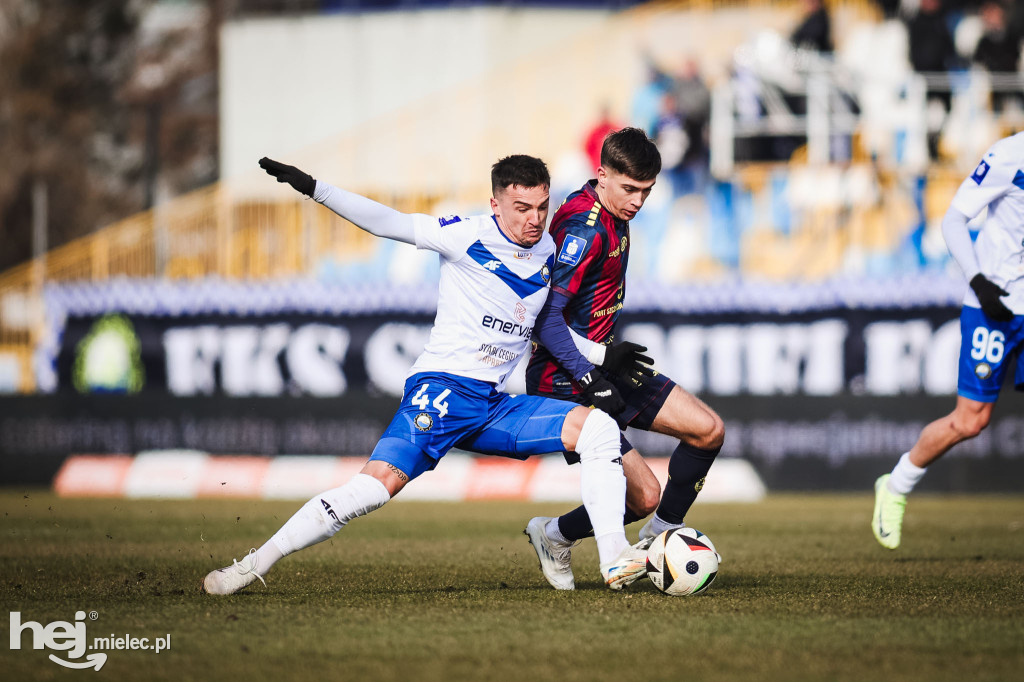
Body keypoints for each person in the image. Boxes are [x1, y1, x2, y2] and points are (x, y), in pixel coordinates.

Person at [203, 154, 647, 594]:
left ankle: (614, 559)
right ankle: (251, 565)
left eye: (541, 207)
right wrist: (316, 188)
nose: (535, 220)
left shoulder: (547, 249)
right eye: (522, 208)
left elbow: (542, 324)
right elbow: (387, 221)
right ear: (496, 204)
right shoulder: (464, 235)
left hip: (493, 404)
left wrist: (601, 358)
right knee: (372, 490)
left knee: (599, 430)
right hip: (443, 391)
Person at [523, 127, 725, 590]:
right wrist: (588, 376)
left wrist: (604, 363)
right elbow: (545, 319)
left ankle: (660, 536)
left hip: (604, 364)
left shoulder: (612, 211)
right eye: (629, 189)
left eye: (646, 191)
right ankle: (552, 535)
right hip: (565, 376)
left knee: (709, 430)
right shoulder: (583, 232)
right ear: (602, 175)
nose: (636, 201)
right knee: (643, 495)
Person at [872, 132, 1024, 550]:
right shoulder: (1010, 155)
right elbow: (954, 220)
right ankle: (896, 484)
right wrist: (979, 281)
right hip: (994, 306)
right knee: (971, 419)